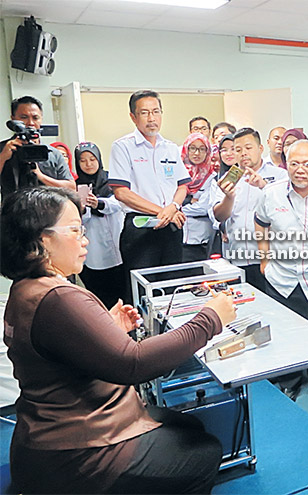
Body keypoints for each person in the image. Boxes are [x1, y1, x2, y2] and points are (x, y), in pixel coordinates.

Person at [0, 186, 237, 494]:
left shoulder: (26, 289)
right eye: (74, 231)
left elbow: (56, 350)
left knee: (187, 425)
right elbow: (134, 363)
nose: (85, 240)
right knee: (205, 451)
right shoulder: (58, 297)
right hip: (78, 455)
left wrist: (106, 330)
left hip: (46, 439)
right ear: (42, 240)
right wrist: (211, 318)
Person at [255, 140, 308, 403]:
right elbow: (260, 223)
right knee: (284, 332)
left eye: (307, 164)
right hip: (281, 276)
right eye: (294, 163)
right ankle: (289, 380)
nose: (300, 170)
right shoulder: (271, 193)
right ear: (286, 165)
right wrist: (264, 258)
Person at [108, 90, 189, 301]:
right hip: (140, 226)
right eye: (144, 113)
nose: (151, 118)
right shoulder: (123, 147)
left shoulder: (170, 148)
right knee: (141, 291)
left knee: (172, 286)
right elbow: (122, 192)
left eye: (156, 112)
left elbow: (182, 186)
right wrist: (164, 211)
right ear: (133, 117)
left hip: (172, 225)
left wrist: (173, 208)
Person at [210, 127, 287, 291]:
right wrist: (228, 198)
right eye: (238, 149)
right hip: (236, 259)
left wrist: (263, 186)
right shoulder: (229, 178)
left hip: (268, 260)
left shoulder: (279, 176)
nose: (243, 153)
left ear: (260, 149)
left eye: (248, 148)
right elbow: (219, 216)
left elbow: (287, 209)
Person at [75, 142, 125, 309]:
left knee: (124, 294)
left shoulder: (112, 180)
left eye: (92, 159)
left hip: (119, 245)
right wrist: (83, 207)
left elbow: (119, 203)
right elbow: (79, 220)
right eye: (83, 161)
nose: (88, 164)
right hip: (95, 252)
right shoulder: (74, 186)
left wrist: (99, 204)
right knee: (102, 297)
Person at [0, 96, 75, 199]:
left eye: (35, 118)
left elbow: (71, 188)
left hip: (48, 212)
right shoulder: (3, 149)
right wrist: (3, 157)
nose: (30, 123)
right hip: (13, 212)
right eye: (24, 117)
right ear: (13, 119)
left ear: (41, 119)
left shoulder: (53, 153)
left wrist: (41, 177)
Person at [180, 132, 217, 262]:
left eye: (202, 149)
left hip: (201, 241)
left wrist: (177, 209)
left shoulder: (212, 177)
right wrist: (189, 201)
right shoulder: (178, 173)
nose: (197, 153)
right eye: (193, 148)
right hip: (178, 238)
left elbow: (203, 207)